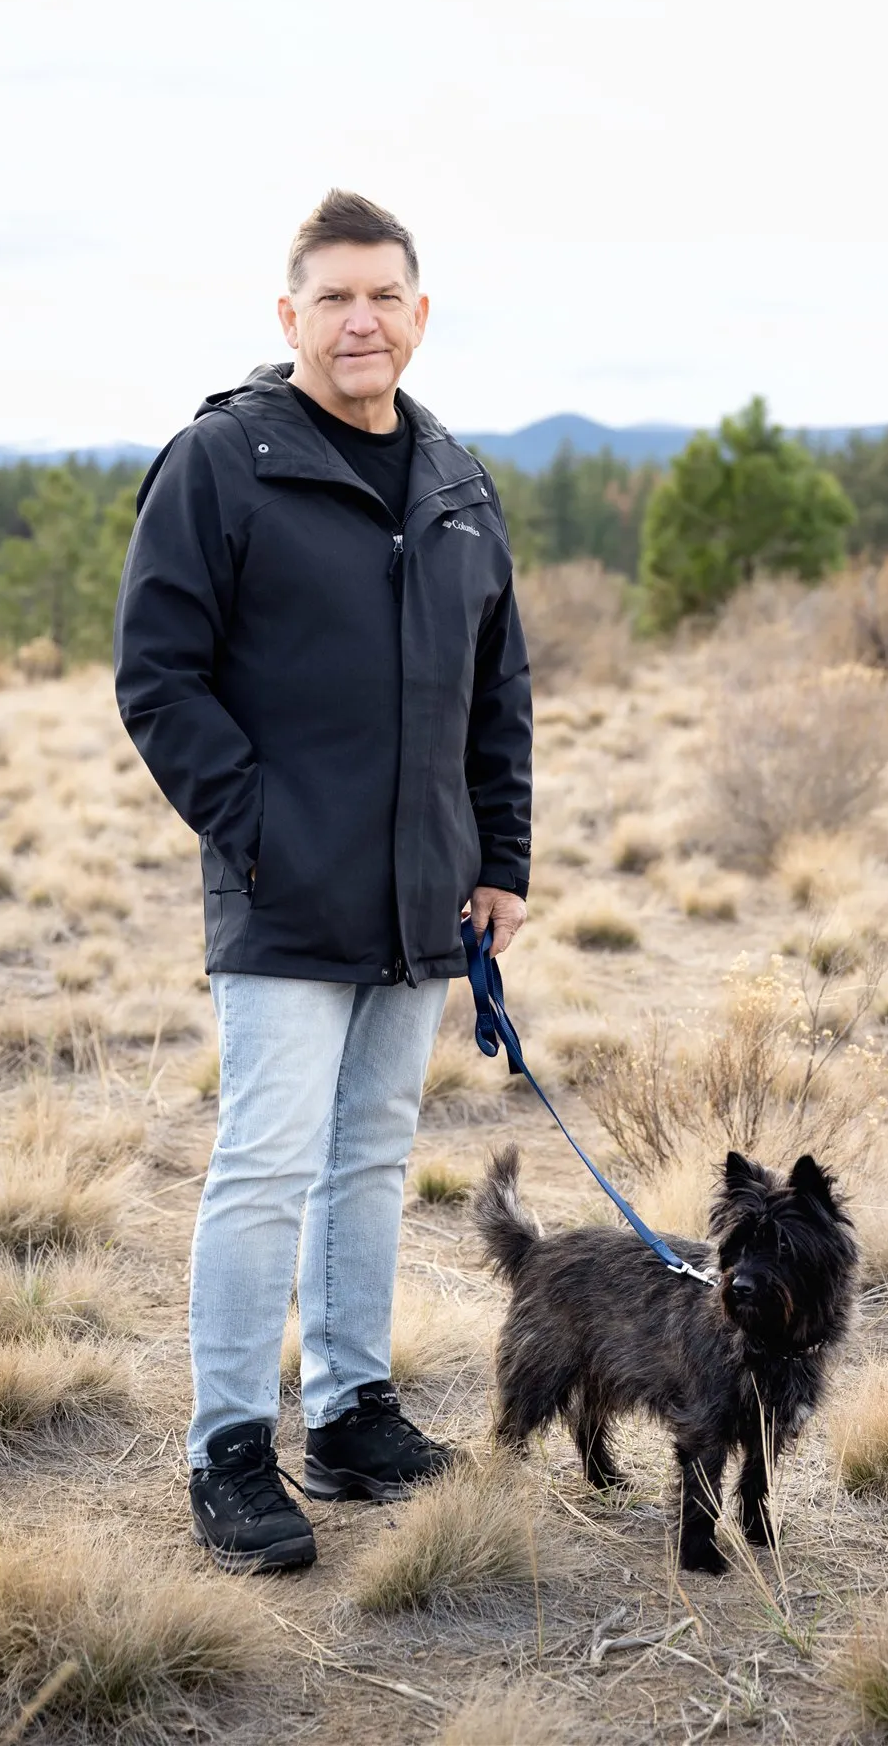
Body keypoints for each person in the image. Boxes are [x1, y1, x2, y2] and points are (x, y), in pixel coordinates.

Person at [114, 190, 532, 1573]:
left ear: (421, 313)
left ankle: (352, 1415)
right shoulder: (222, 464)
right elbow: (158, 677)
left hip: (425, 896)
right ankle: (230, 1449)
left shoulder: (456, 479)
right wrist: (258, 835)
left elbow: (497, 693)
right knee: (265, 1166)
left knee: (371, 1157)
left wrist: (500, 861)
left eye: (385, 296)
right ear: (288, 314)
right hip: (286, 895)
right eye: (335, 297)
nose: (362, 320)